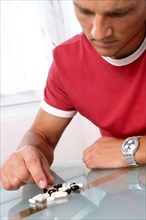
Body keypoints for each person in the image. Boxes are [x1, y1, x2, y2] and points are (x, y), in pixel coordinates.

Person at [0, 0, 146, 190]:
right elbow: (42, 134)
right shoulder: (67, 61)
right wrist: (27, 154)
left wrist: (132, 149)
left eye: (118, 14)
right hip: (117, 201)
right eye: (85, 11)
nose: (98, 32)